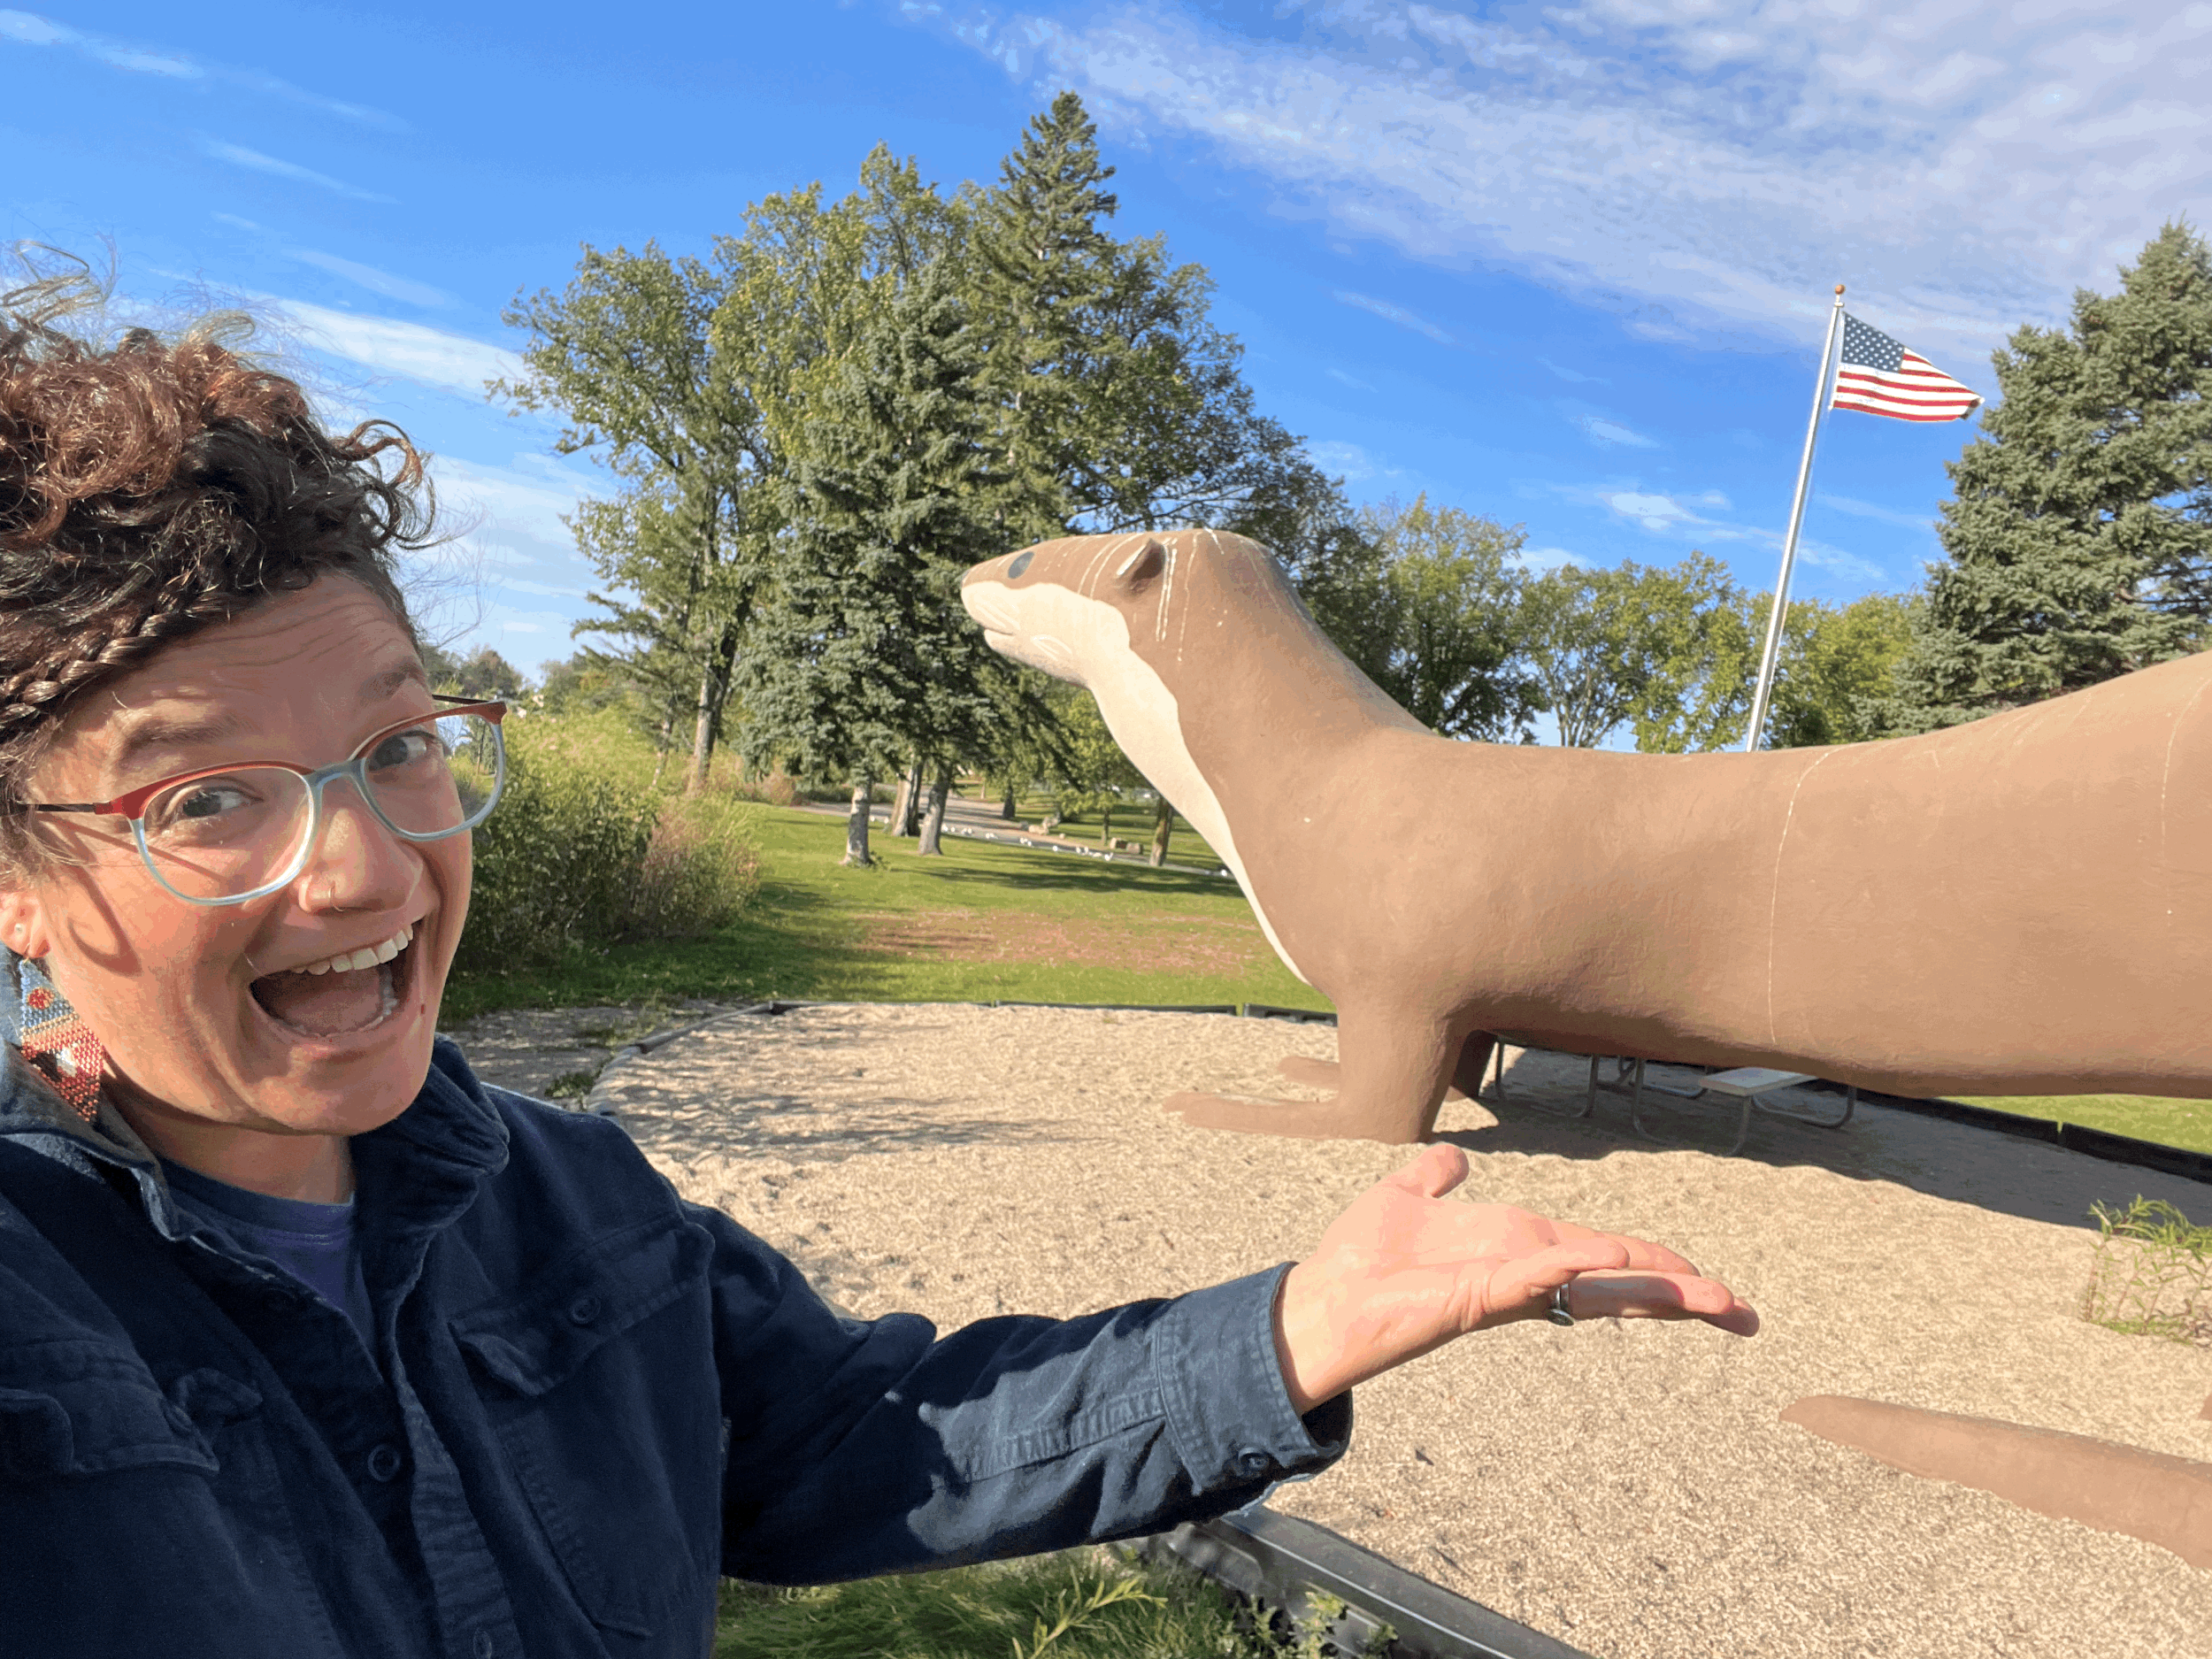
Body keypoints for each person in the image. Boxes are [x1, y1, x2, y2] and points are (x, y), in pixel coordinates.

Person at [0, 284, 1757, 1659]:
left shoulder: (571, 1206)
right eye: (207, 798)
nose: (371, 865)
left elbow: (858, 1437)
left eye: (399, 745)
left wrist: (1289, 1331)